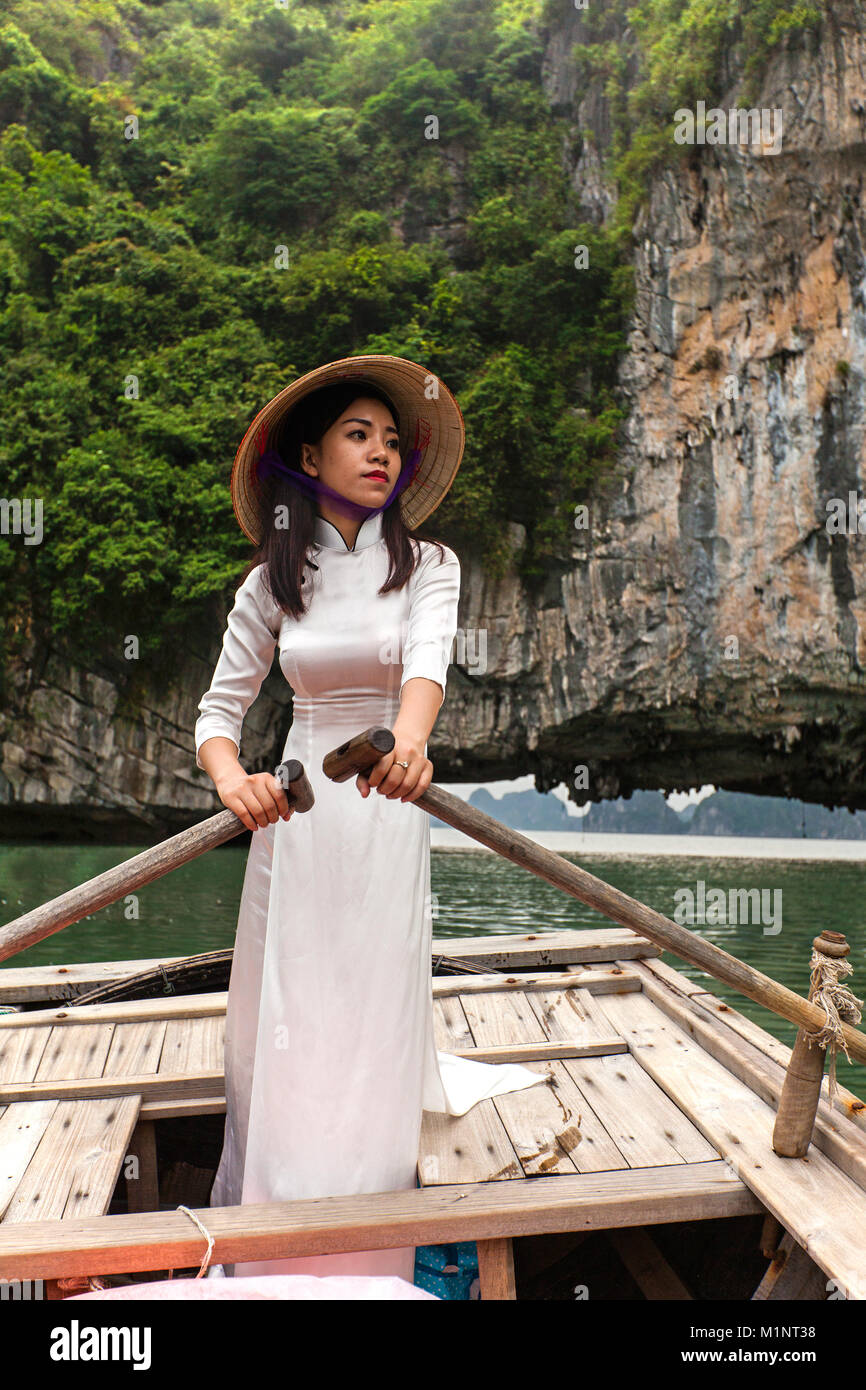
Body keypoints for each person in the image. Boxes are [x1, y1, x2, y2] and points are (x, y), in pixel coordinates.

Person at [194, 355, 546, 1282]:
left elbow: (426, 665)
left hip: (387, 804)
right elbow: (217, 716)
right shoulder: (273, 581)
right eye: (359, 435)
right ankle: (277, 1232)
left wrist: (413, 746)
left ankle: (370, 1240)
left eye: (393, 440)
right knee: (292, 1018)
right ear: (310, 456)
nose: (381, 453)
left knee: (372, 1013)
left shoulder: (428, 564)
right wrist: (236, 782)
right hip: (298, 816)